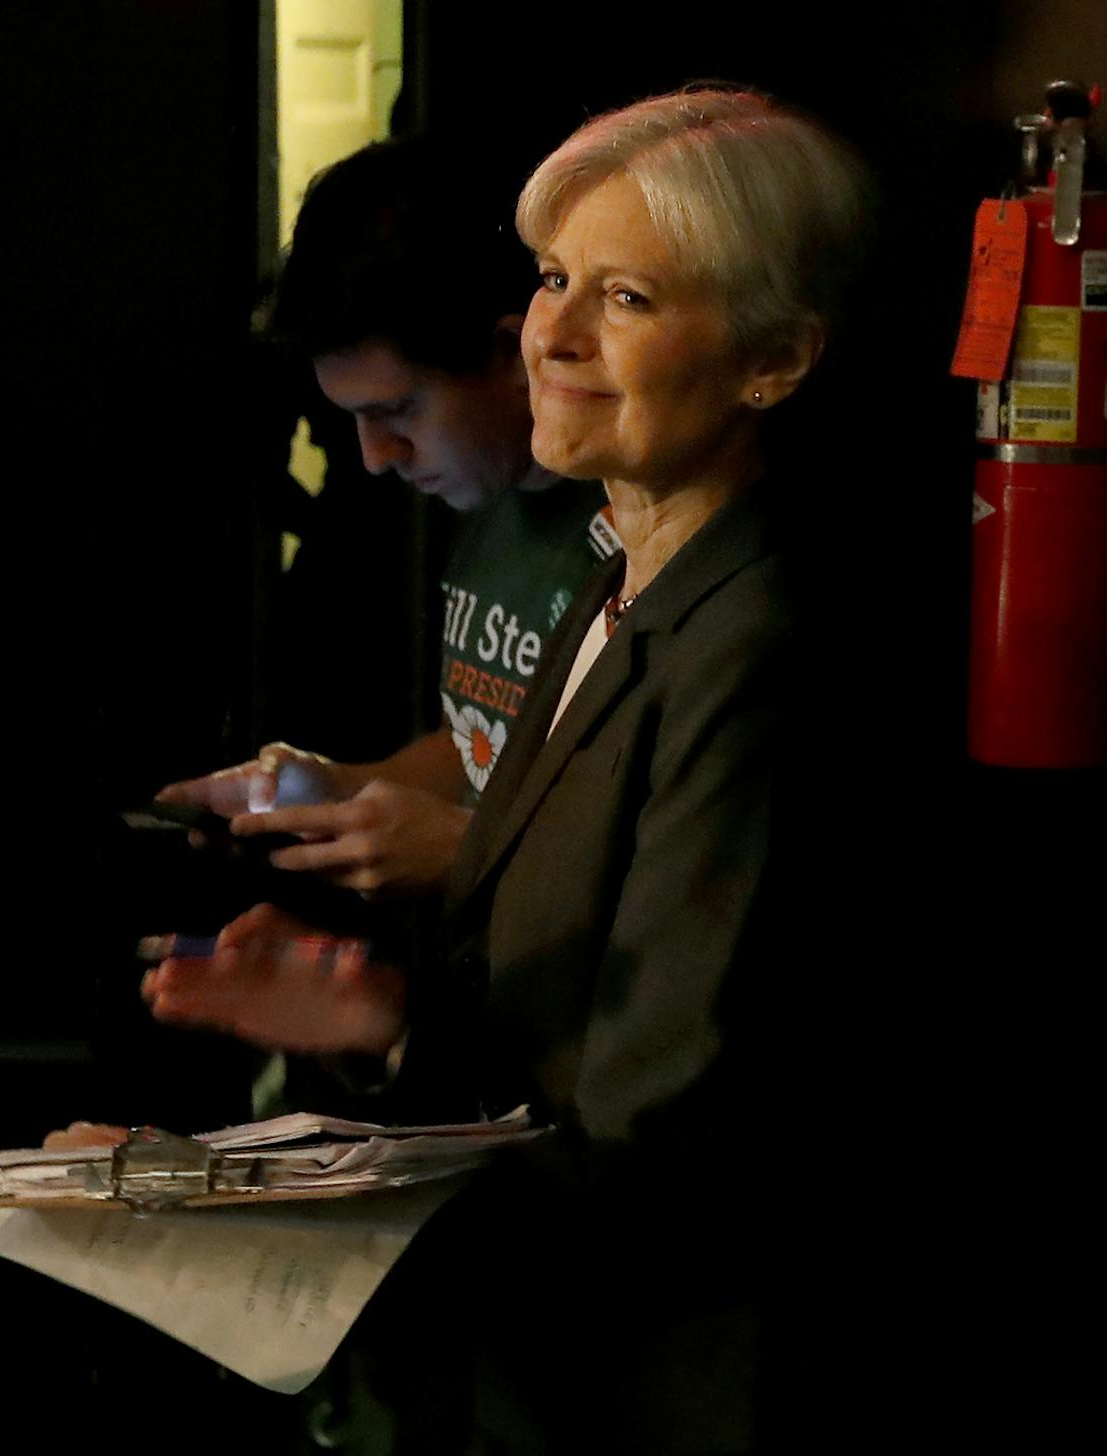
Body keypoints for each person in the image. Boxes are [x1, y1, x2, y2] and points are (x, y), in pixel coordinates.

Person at [140, 88, 878, 1450]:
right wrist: (376, 1021)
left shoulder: (758, 644)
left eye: (629, 298)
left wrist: (250, 1203)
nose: (554, 334)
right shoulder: (622, 577)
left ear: (775, 358)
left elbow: (656, 1164)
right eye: (551, 280)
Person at [160, 136, 617, 897]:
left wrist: (468, 852)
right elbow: (478, 747)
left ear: (515, 353)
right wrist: (330, 788)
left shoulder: (637, 535)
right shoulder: (488, 496)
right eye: (355, 418)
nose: (375, 457)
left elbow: (661, 848)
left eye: (398, 409)